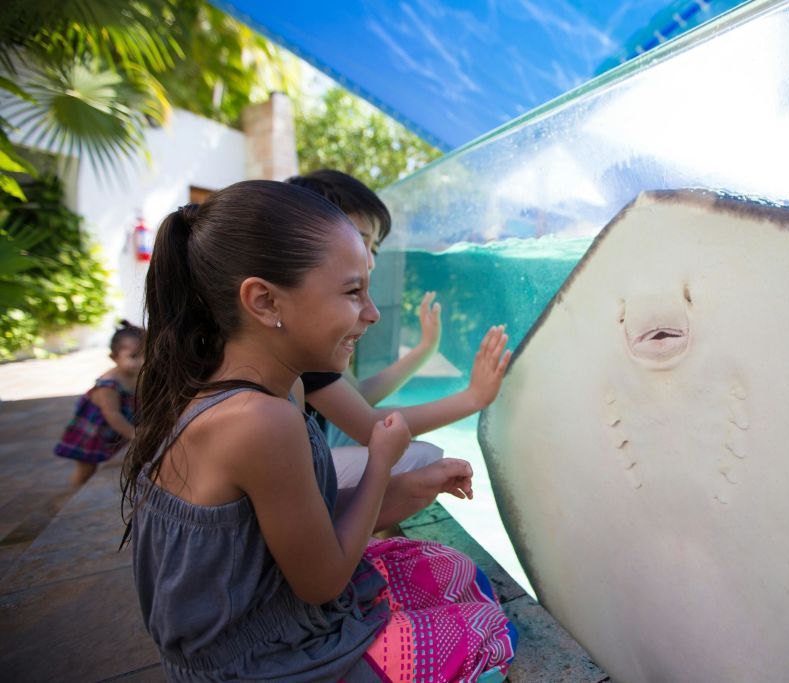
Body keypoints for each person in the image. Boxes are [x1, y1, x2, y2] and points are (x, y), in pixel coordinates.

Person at [121, 180, 517, 682]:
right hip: (255, 664)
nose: (372, 314)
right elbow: (323, 583)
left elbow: (285, 523)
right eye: (353, 292)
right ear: (264, 302)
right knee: (485, 631)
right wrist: (378, 463)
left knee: (453, 569)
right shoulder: (259, 419)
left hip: (259, 616)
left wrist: (406, 486)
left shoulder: (266, 389)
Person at [286, 170, 511, 488]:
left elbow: (357, 397)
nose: (370, 261)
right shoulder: (302, 325)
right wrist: (472, 398)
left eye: (373, 248)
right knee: (422, 458)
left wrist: (425, 349)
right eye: (358, 239)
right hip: (281, 471)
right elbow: (368, 425)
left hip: (296, 449)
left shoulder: (304, 318)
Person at [54, 320, 143, 486]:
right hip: (92, 434)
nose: (142, 361)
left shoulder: (138, 375)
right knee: (86, 470)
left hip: (115, 432)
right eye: (134, 356)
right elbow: (112, 415)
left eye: (147, 353)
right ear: (114, 357)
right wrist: (134, 434)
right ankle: (74, 494)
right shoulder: (108, 384)